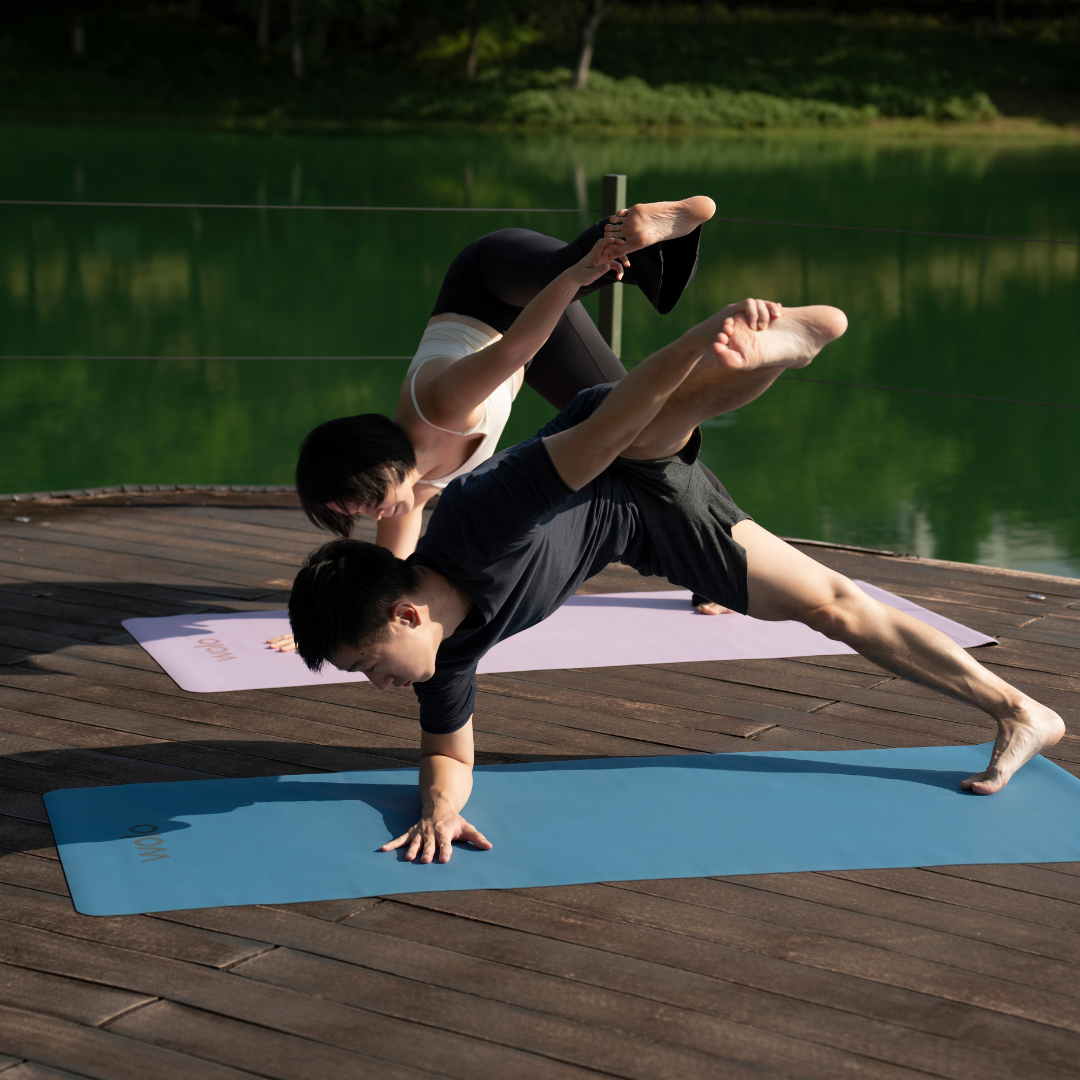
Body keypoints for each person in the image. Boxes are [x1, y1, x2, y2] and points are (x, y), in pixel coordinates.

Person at [287, 301, 1066, 865]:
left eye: (367, 662)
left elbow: (614, 423)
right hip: (640, 527)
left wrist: (698, 337)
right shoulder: (440, 658)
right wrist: (437, 812)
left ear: (405, 611)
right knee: (800, 580)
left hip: (608, 449)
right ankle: (760, 357)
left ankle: (766, 349)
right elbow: (450, 759)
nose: (378, 683)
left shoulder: (479, 515)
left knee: (669, 450)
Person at [275, 197, 787, 646]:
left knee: (570, 268)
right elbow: (396, 581)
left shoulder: (437, 405)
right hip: (530, 344)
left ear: (375, 465)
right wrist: (324, 629)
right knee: (646, 431)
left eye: (365, 500)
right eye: (359, 513)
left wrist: (584, 270)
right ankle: (723, 569)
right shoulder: (409, 493)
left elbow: (517, 346)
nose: (373, 516)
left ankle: (639, 225)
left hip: (490, 288)